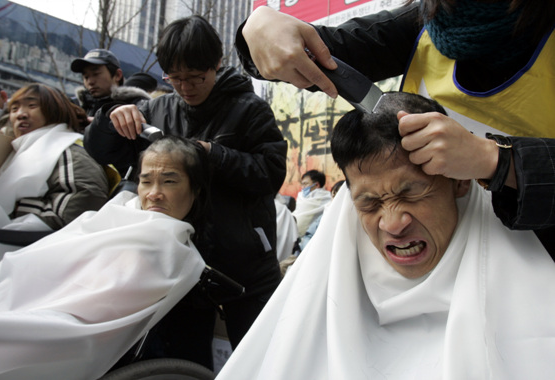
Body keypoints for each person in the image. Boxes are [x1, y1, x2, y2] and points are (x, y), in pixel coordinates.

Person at [216, 91, 555, 380]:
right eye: (371, 203)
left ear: (459, 180)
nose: (393, 224)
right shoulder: (323, 293)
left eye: (411, 194)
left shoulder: (527, 292)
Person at [235, 1, 555, 254]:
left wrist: (496, 160)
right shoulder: (422, 25)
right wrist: (259, 28)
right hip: (443, 256)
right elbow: (314, 51)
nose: (392, 222)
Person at [84, 15, 287, 370]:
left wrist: (212, 154)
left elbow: (269, 175)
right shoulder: (157, 109)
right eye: (175, 78)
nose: (185, 87)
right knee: (180, 364)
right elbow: (102, 152)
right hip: (179, 267)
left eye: (196, 77)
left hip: (245, 268)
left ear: (217, 64)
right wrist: (111, 119)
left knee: (259, 362)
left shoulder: (250, 110)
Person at [0, 135, 209, 380]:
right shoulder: (115, 212)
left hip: (64, 320)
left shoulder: (171, 247)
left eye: (169, 181)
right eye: (146, 182)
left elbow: (99, 307)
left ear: (195, 189)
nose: (154, 194)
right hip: (20, 288)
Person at [0, 83, 109, 264]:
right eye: (14, 109)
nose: (21, 114)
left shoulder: (68, 149)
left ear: (54, 110)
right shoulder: (17, 150)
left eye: (32, 106)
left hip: (29, 248)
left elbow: (83, 202)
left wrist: (19, 210)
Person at [71, 49, 151, 119]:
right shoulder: (76, 107)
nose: (90, 82)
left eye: (96, 74)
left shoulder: (138, 105)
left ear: (117, 75)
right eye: (86, 77)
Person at [293, 170, 331, 249]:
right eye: (302, 184)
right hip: (295, 236)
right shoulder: (301, 197)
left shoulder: (327, 198)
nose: (302, 187)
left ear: (316, 185)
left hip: (313, 237)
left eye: (305, 184)